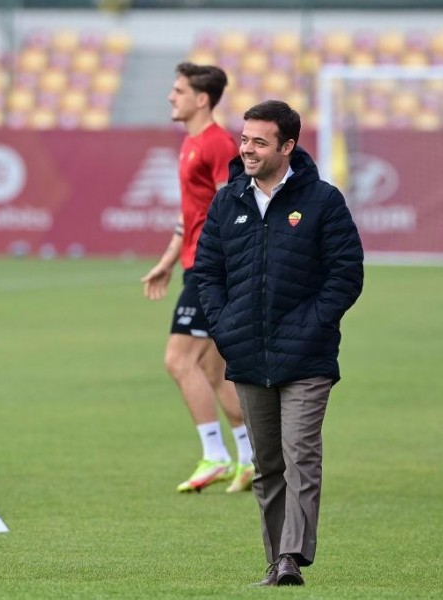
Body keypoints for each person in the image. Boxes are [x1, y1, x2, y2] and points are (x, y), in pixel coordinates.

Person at [194, 100, 364, 586]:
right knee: (266, 466)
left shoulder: (323, 201)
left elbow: (346, 274)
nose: (246, 149)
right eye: (244, 139)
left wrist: (312, 326)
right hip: (247, 354)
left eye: (259, 142)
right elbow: (208, 272)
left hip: (307, 356)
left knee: (300, 455)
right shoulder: (228, 201)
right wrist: (225, 326)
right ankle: (275, 563)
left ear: (287, 147)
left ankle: (292, 556)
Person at [140, 63, 255, 494]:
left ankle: (216, 455)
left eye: (178, 90)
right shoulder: (192, 143)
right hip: (195, 263)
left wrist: (224, 263)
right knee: (212, 367)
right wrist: (169, 260)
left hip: (214, 268)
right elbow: (191, 214)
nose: (171, 97)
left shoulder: (218, 143)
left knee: (178, 360)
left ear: (201, 98)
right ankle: (251, 458)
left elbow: (236, 205)